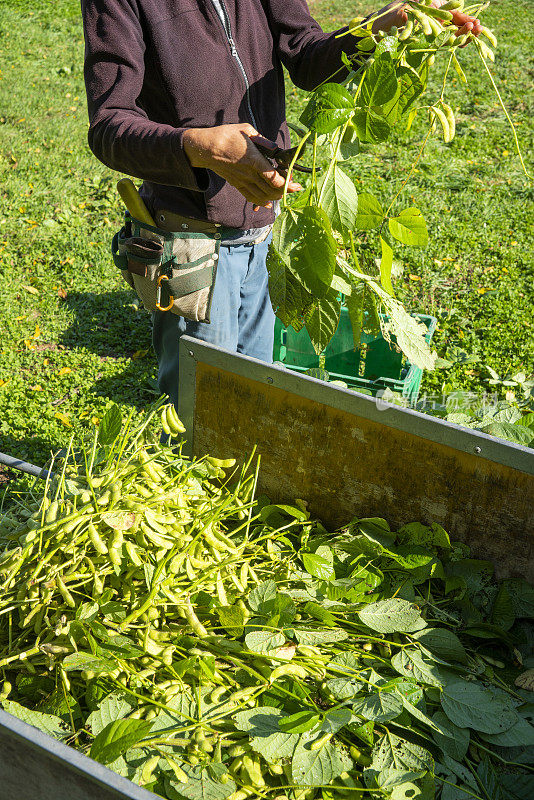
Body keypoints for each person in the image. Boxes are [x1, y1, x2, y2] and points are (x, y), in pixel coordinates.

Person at [81, 0, 481, 408]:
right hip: (192, 243)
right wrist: (199, 148)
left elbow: (307, 55)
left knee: (257, 400)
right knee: (201, 413)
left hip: (268, 234)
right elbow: (110, 125)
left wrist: (381, 25)